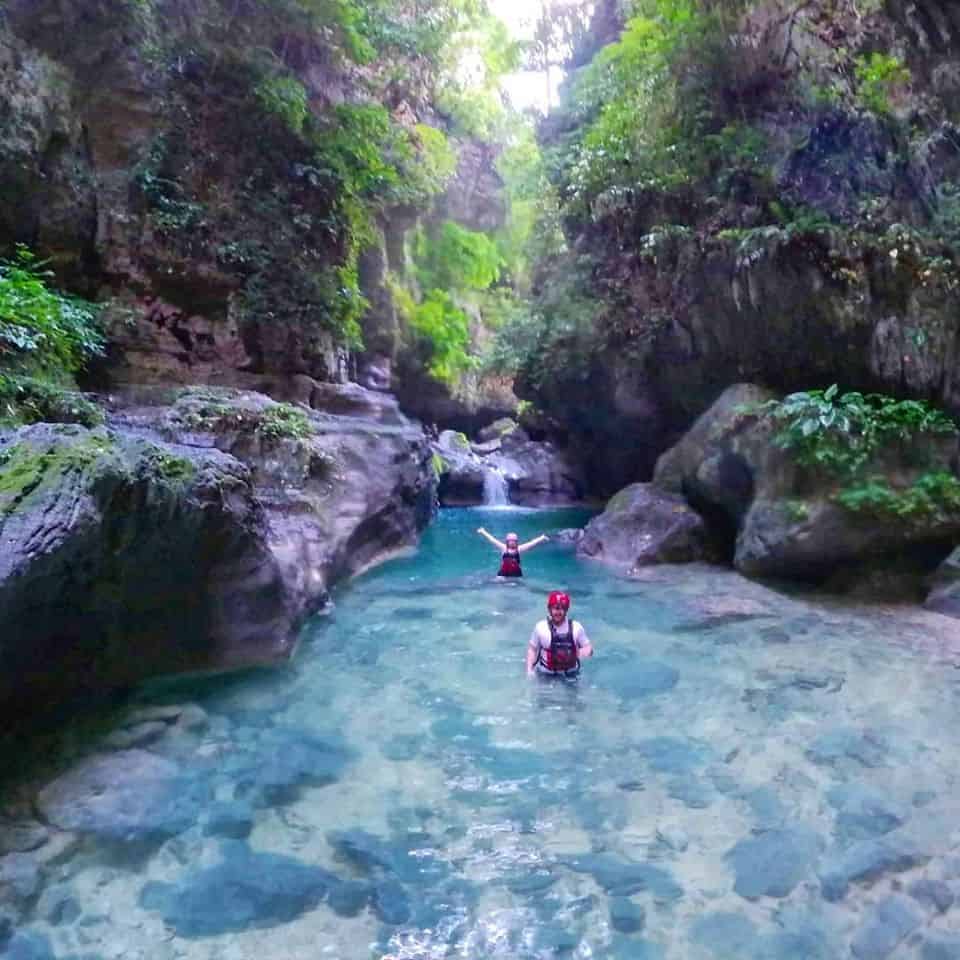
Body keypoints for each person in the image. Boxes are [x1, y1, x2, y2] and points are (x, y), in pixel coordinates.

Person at [527, 591, 593, 677]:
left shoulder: (576, 627)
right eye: (556, 608)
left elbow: (589, 648)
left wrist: (582, 652)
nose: (559, 612)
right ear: (549, 609)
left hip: (571, 673)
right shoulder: (540, 627)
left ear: (566, 610)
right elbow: (532, 649)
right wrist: (529, 670)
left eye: (562, 608)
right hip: (546, 673)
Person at [476, 527, 550, 578]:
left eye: (514, 541)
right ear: (507, 541)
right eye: (511, 541)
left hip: (516, 573)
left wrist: (541, 538)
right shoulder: (503, 548)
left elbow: (531, 543)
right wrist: (483, 531)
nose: (512, 542)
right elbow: (492, 540)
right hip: (503, 574)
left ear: (516, 542)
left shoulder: (519, 549)